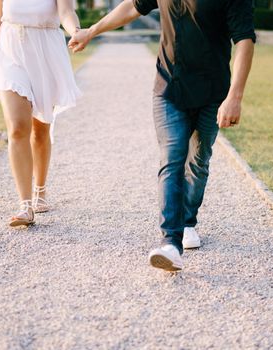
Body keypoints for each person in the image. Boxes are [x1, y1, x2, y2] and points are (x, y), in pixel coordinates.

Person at [69, 0, 255, 271]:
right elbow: (132, 7)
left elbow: (244, 40)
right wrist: (92, 30)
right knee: (172, 158)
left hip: (212, 92)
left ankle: (188, 221)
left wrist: (235, 96)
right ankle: (170, 242)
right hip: (168, 87)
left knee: (199, 161)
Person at [0, 0, 82, 227]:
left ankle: (40, 189)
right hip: (11, 53)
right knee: (17, 128)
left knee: (40, 130)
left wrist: (75, 31)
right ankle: (25, 205)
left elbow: (66, 11)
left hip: (46, 54)